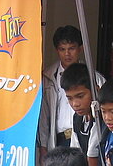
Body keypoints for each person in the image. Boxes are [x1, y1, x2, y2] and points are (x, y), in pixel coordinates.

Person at [39, 26, 105, 157]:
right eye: (62, 49)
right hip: (59, 139)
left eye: (71, 48)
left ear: (80, 49)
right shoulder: (47, 77)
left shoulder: (95, 78)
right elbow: (43, 116)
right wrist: (43, 146)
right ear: (57, 50)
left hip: (87, 137)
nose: (67, 54)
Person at [61, 63, 102, 166]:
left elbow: (92, 155)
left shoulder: (102, 119)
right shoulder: (77, 118)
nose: (75, 104)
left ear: (96, 90)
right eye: (70, 98)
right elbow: (75, 153)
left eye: (80, 96)